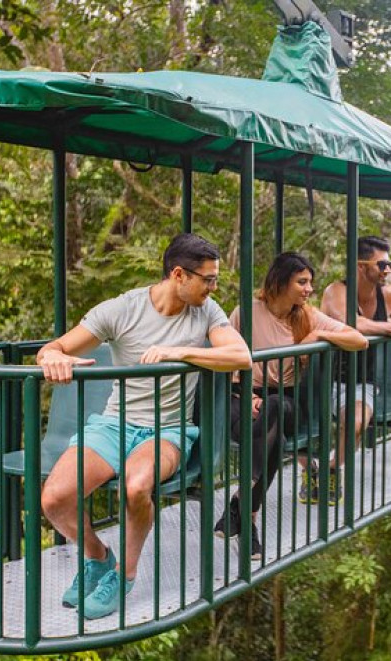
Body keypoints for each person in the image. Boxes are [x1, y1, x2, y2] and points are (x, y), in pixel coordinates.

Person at [38, 233, 252, 620]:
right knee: (54, 498)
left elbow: (241, 355)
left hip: (169, 430)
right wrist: (51, 358)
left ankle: (124, 576)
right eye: (208, 279)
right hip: (114, 425)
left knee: (138, 486)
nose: (214, 287)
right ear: (178, 275)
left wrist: (180, 352)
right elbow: (56, 347)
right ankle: (99, 558)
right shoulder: (122, 309)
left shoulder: (207, 312)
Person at [215, 252, 367, 553]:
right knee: (271, 438)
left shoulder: (307, 315)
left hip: (284, 400)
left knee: (273, 409)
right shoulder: (246, 311)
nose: (308, 289)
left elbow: (358, 339)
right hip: (241, 394)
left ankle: (240, 499)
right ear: (281, 281)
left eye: (310, 282)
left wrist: (318, 335)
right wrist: (248, 398)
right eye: (302, 282)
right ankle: (249, 518)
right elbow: (228, 361)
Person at [319, 236, 391, 500]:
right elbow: (348, 322)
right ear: (361, 266)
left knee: (357, 423)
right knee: (304, 428)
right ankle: (311, 470)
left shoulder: (390, 295)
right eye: (382, 265)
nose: (388, 271)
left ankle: (330, 468)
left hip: (363, 380)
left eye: (390, 265)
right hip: (324, 377)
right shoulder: (336, 291)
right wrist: (390, 327)